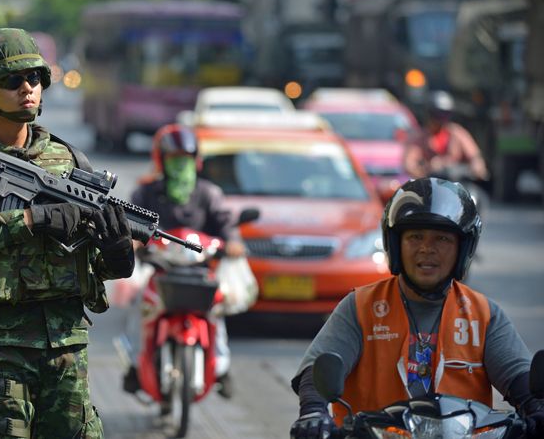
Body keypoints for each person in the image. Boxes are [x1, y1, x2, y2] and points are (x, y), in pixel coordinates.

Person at [0, 28, 134, 439]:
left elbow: (92, 265)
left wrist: (115, 252)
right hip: (0, 349)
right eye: (12, 80)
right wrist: (30, 221)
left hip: (66, 348)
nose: (28, 88)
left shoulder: (72, 162)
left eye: (36, 78)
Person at [289, 177, 544, 439]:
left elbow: (519, 377)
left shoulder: (483, 314)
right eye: (415, 237)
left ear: (463, 248)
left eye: (442, 239)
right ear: (396, 245)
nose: (426, 249)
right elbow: (316, 369)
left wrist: (536, 407)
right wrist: (313, 411)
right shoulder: (360, 307)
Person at [121, 123, 246, 399]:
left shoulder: (209, 193)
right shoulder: (146, 193)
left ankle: (222, 368)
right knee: (139, 307)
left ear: (196, 161)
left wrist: (233, 243)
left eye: (185, 159)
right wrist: (133, 241)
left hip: (201, 272)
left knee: (217, 311)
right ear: (161, 161)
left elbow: (226, 224)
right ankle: (134, 365)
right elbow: (130, 223)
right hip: (159, 271)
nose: (181, 165)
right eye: (174, 159)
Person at [404, 91, 489, 182]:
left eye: (446, 114)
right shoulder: (421, 137)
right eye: (439, 114)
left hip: (457, 184)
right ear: (430, 114)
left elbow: (474, 154)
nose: (442, 119)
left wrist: (477, 166)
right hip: (432, 186)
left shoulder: (456, 133)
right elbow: (409, 163)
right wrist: (424, 172)